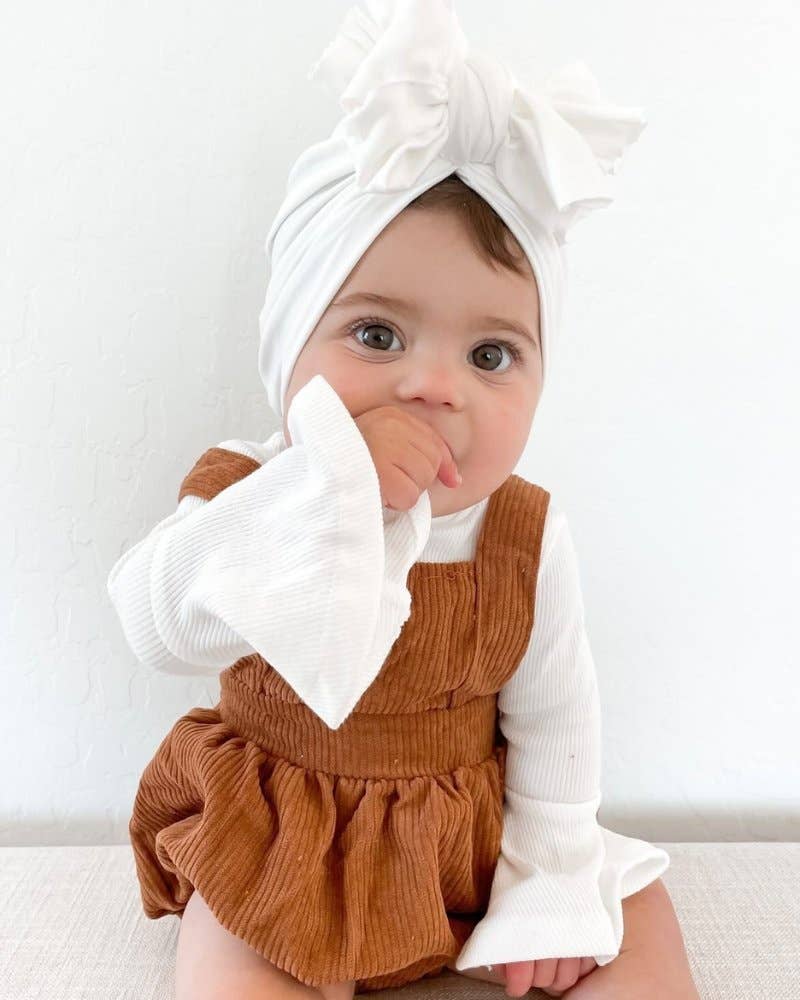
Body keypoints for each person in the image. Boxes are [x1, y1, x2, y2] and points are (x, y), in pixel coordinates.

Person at [107, 2, 700, 997]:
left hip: (464, 840)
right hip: (280, 838)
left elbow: (558, 717)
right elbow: (155, 623)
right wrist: (319, 488)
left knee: (636, 913)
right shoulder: (252, 491)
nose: (436, 386)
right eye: (377, 336)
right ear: (286, 349)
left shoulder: (523, 531)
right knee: (226, 953)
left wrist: (549, 874)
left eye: (489, 353)